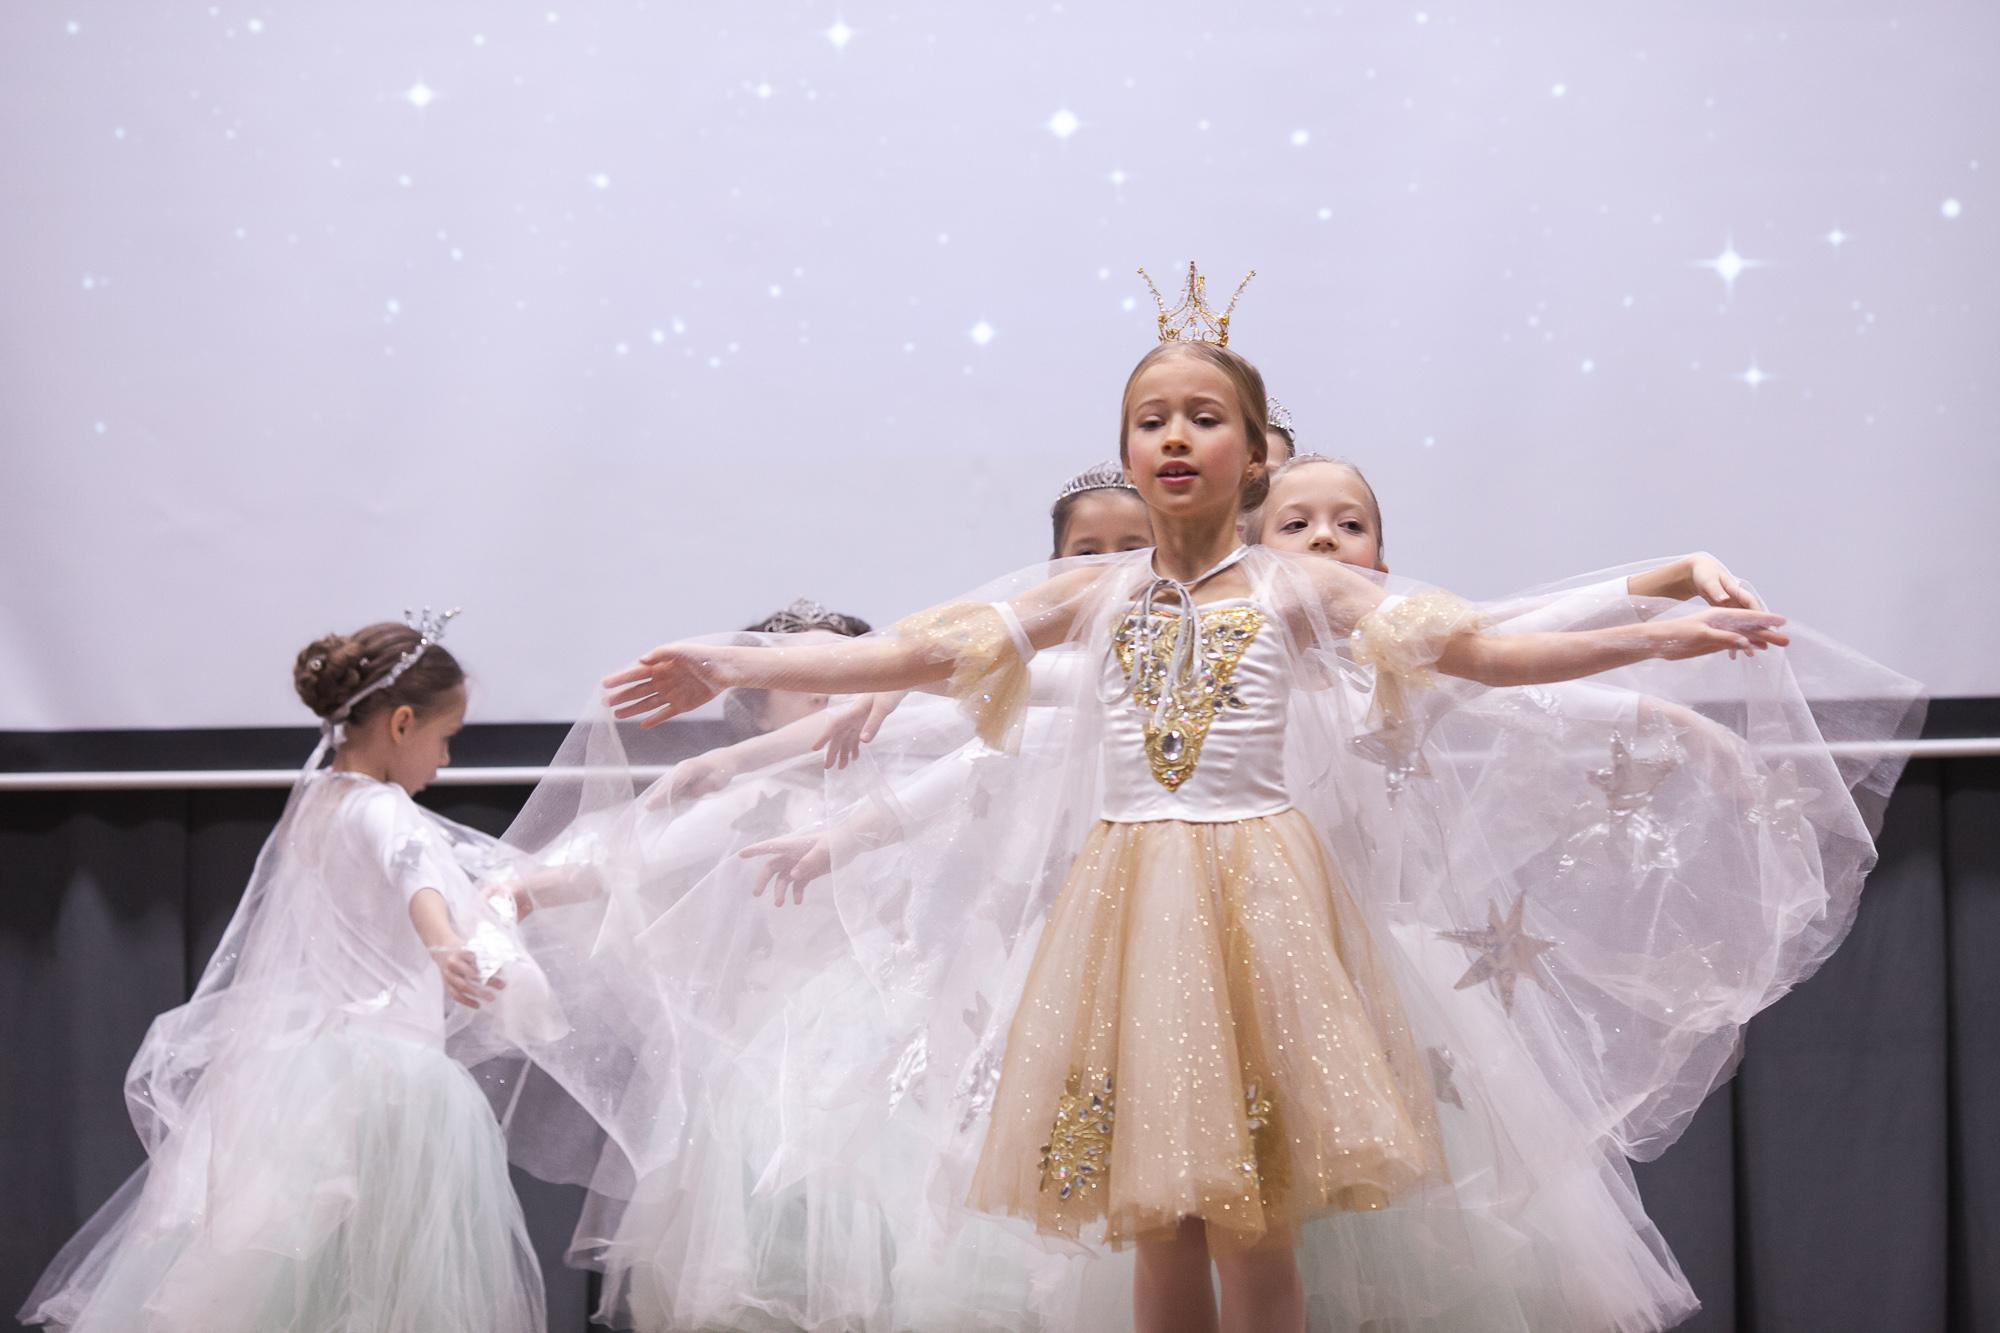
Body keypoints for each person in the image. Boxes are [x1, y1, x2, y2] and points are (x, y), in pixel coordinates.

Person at [21, 613, 558, 1333]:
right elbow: (412, 877)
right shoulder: (383, 808)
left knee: (301, 1278)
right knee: (383, 1280)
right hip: (391, 1084)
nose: (447, 760)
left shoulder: (317, 799)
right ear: (402, 723)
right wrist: (442, 944)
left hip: (309, 1071)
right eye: (446, 737)